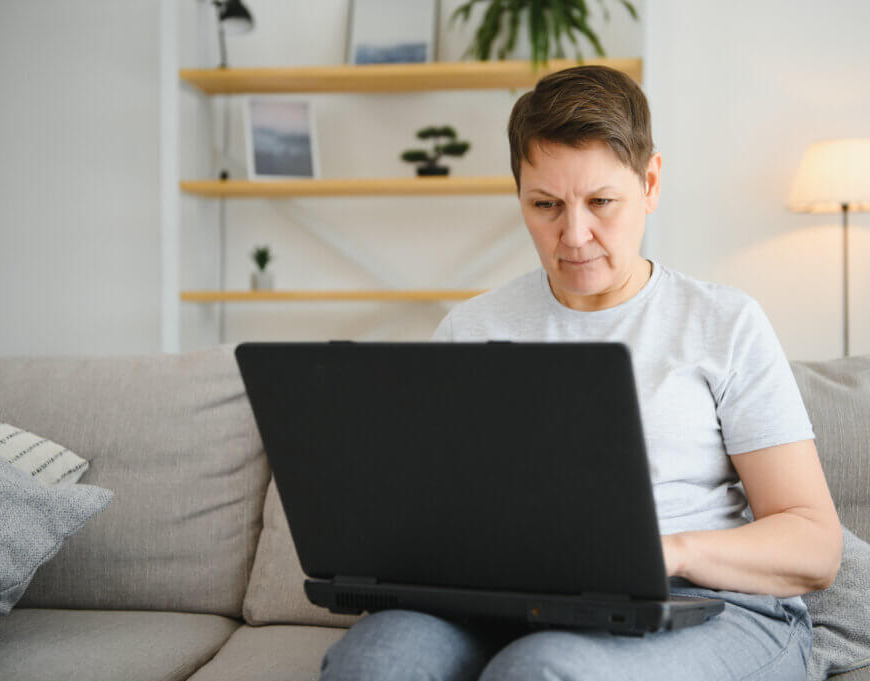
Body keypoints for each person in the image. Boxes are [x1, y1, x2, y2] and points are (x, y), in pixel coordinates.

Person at [318, 65, 842, 681]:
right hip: (510, 603)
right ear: (518, 195)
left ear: (649, 182)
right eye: (545, 205)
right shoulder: (471, 328)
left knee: (542, 670)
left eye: (600, 202)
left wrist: (666, 553)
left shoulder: (723, 323)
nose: (574, 235)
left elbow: (813, 544)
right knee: (375, 660)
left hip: (706, 605)